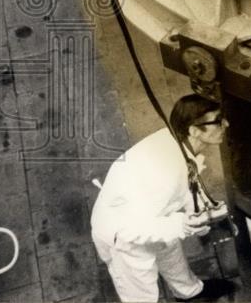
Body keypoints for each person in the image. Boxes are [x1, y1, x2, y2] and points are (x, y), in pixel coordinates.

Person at [91, 95, 236, 301]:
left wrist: (201, 208)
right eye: (218, 120)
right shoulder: (164, 175)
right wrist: (183, 224)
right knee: (141, 292)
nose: (226, 124)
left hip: (157, 213)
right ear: (194, 131)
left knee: (171, 255)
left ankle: (189, 292)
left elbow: (185, 181)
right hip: (123, 236)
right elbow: (132, 229)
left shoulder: (177, 140)